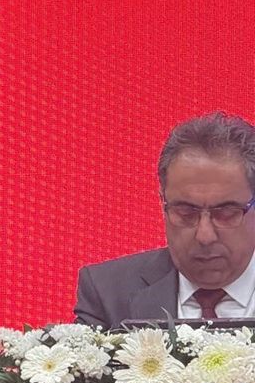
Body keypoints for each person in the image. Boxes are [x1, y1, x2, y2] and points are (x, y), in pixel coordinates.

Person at [74, 112, 255, 328]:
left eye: (225, 213)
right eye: (186, 212)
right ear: (163, 202)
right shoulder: (107, 292)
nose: (204, 236)